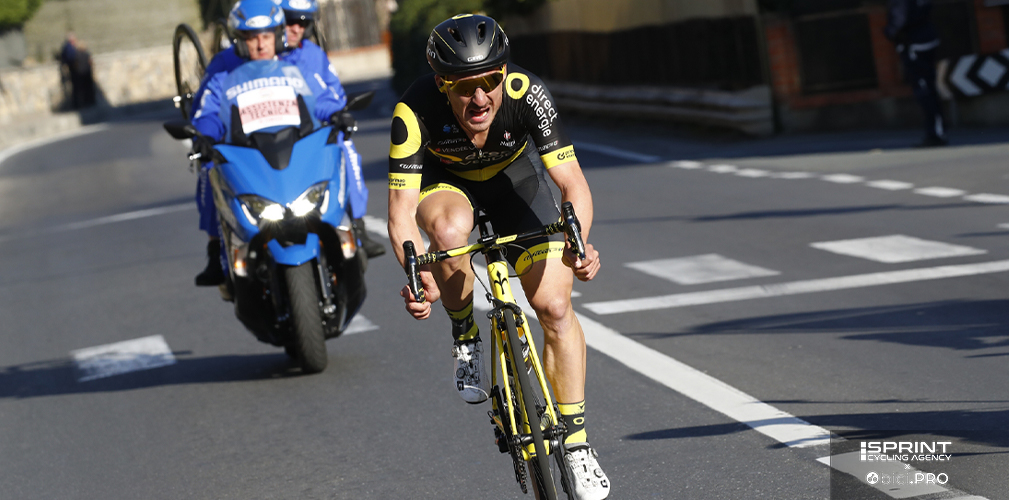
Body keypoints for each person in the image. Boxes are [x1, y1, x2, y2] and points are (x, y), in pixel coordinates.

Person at [387, 14, 610, 500]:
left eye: (490, 81)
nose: (481, 98)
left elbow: (571, 182)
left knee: (553, 307)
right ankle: (465, 334)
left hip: (517, 183)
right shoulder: (414, 110)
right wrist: (415, 271)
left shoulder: (527, 92)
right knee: (448, 231)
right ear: (443, 85)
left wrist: (578, 242)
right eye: (465, 88)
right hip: (448, 187)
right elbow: (402, 213)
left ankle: (575, 444)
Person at [189, 0, 382, 287]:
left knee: (342, 146)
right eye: (251, 38)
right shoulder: (222, 67)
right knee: (208, 170)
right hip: (246, 150)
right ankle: (215, 248)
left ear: (276, 35)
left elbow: (322, 98)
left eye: (267, 36)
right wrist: (204, 136)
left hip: (293, 146)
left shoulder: (295, 62)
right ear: (238, 39)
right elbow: (207, 112)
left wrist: (337, 114)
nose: (260, 44)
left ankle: (353, 226)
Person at [885, 0, 948, 147]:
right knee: (928, 88)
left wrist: (890, 32)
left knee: (924, 90)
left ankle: (936, 133)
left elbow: (899, 18)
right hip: (926, 38)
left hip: (914, 43)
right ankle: (935, 132)